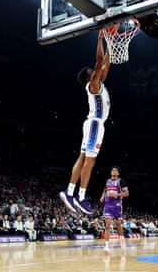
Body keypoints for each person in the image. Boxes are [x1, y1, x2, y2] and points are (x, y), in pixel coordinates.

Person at [60, 29, 111, 215]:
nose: (95, 69)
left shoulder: (100, 83)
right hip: (95, 123)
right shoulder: (93, 85)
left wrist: (108, 42)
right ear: (89, 77)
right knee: (90, 160)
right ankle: (80, 196)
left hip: (92, 124)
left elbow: (105, 62)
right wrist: (100, 40)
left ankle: (70, 192)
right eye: (92, 71)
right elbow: (99, 62)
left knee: (83, 159)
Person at [99, 166, 129, 254]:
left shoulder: (121, 181)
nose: (114, 171)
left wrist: (117, 194)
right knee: (107, 225)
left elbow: (126, 193)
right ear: (111, 172)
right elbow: (105, 190)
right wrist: (102, 196)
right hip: (108, 205)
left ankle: (122, 237)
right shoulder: (107, 181)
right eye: (113, 170)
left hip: (117, 205)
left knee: (118, 224)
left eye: (116, 171)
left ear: (118, 173)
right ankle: (107, 246)